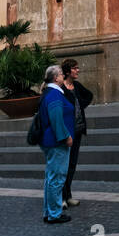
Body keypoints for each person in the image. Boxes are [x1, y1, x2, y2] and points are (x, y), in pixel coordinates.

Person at [39, 63, 74, 225]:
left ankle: (49, 211)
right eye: (60, 74)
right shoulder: (54, 94)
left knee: (51, 178)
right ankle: (54, 214)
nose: (62, 76)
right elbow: (56, 119)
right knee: (57, 178)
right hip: (56, 142)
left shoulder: (50, 92)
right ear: (55, 78)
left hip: (50, 140)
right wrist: (66, 137)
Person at [61, 58, 93, 207]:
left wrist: (79, 107)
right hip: (66, 132)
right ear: (67, 71)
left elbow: (89, 96)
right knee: (63, 165)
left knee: (72, 164)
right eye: (75, 68)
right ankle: (61, 197)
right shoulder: (61, 88)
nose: (78, 70)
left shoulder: (77, 86)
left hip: (78, 129)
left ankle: (68, 196)